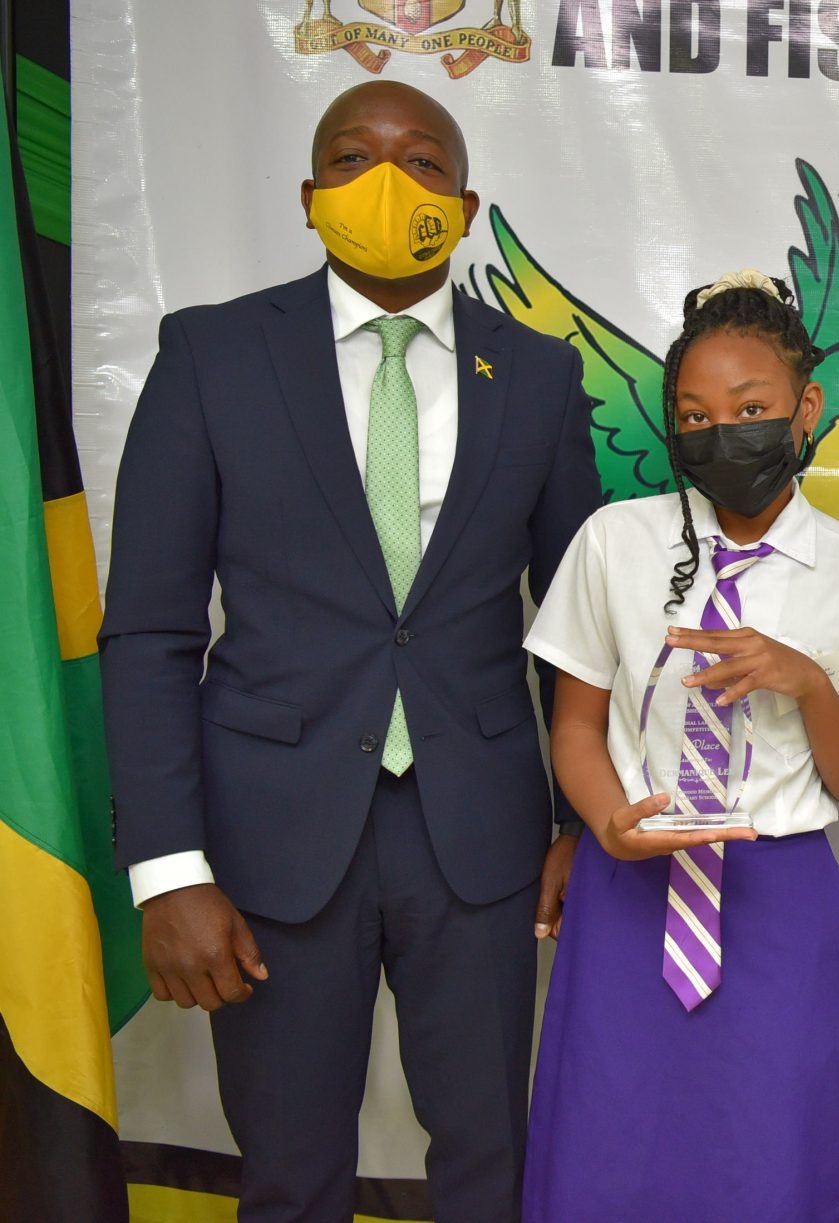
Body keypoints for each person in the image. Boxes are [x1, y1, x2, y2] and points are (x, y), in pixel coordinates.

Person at [100, 80, 600, 1222]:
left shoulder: (535, 373)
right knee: (288, 1171)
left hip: (479, 838)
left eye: (423, 162)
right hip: (267, 836)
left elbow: (578, 620)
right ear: (310, 194)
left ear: (466, 206)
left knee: (490, 1161)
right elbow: (150, 628)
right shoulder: (213, 354)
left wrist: (582, 818)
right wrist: (170, 869)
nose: (390, 181)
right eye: (354, 158)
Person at [520, 271, 839, 1220]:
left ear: (806, 408)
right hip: (627, 888)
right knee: (605, 1152)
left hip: (775, 899)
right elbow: (576, 723)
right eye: (696, 415)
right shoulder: (612, 542)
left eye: (751, 408)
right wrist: (605, 823)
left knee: (768, 1159)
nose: (723, 432)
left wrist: (812, 683)